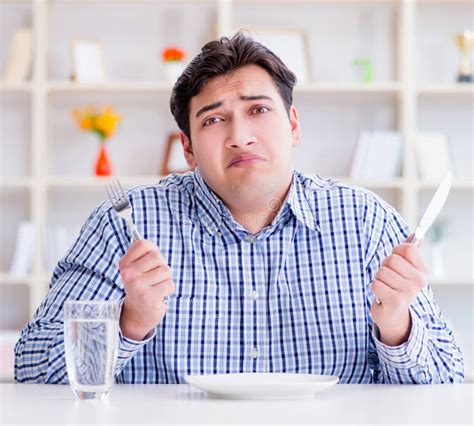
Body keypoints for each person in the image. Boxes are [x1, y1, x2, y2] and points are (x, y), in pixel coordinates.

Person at [15, 32, 463, 384]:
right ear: (187, 150)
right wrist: (128, 323)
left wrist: (397, 328)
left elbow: (448, 377)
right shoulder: (124, 227)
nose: (240, 136)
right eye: (214, 119)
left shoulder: (366, 222)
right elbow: (33, 367)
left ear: (292, 125)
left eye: (259, 110)